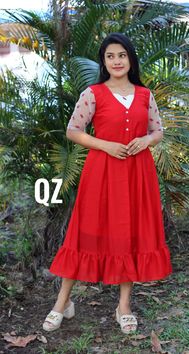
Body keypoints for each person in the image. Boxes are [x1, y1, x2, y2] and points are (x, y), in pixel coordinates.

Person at [43, 32, 172, 334]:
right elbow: (74, 130)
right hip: (101, 173)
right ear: (103, 61)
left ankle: (123, 306)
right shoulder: (93, 93)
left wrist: (146, 140)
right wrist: (105, 145)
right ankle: (63, 302)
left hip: (137, 174)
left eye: (122, 55)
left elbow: (158, 131)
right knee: (83, 233)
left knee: (129, 234)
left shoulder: (144, 95)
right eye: (110, 56)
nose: (116, 61)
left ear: (130, 59)